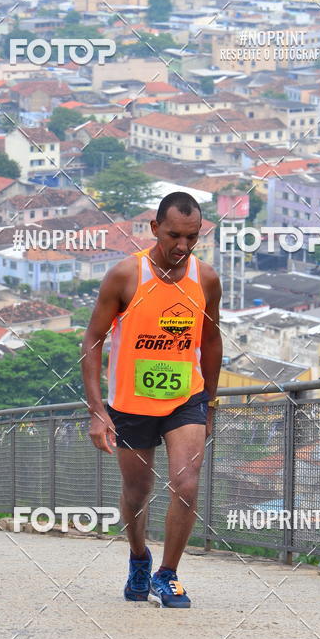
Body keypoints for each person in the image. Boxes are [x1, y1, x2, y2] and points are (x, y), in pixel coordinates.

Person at [81, 191, 222, 608]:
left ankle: (168, 574)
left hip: (186, 399)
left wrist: (209, 403)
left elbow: (212, 342)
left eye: (192, 237)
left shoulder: (207, 279)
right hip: (130, 403)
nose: (182, 245)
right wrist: (96, 410)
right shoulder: (126, 276)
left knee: (186, 483)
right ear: (155, 228)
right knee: (137, 491)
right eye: (174, 235)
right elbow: (92, 340)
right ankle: (139, 557)